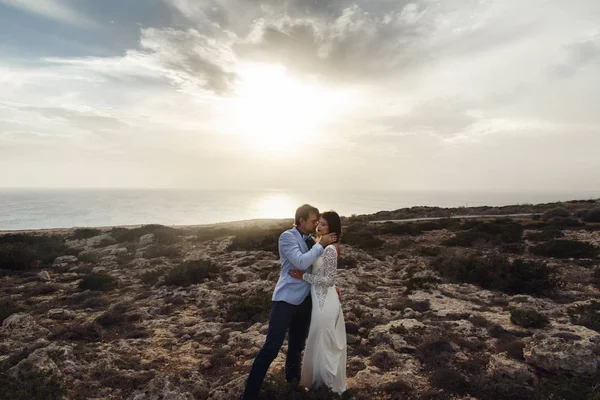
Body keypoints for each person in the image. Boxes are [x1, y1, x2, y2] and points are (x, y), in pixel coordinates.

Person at [241, 204, 338, 400]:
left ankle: (292, 387)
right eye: (313, 221)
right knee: (271, 348)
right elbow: (300, 262)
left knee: (296, 348)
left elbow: (318, 270)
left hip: (306, 301)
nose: (316, 224)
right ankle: (249, 395)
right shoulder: (287, 237)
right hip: (285, 300)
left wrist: (332, 286)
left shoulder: (312, 240)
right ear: (301, 220)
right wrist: (321, 244)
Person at [289, 211, 347, 394]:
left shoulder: (330, 249)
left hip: (325, 302)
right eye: (318, 223)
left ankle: (326, 388)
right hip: (320, 299)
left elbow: (329, 280)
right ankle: (317, 385)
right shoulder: (321, 245)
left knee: (323, 342)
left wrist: (303, 276)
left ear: (332, 229)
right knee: (317, 340)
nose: (319, 227)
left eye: (323, 224)